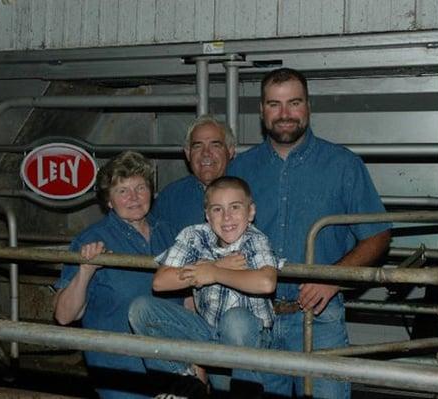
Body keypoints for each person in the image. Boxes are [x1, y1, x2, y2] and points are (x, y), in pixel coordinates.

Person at [228, 68, 392, 399]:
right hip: (255, 317)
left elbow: (377, 235)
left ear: (308, 106)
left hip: (319, 316)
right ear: (261, 110)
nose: (285, 114)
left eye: (294, 103)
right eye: (274, 104)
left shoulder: (343, 165)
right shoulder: (240, 170)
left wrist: (331, 278)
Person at [129, 176, 282, 396]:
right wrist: (215, 265)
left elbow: (266, 283)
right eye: (217, 209)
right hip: (208, 333)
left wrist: (214, 274)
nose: (227, 217)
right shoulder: (195, 235)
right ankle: (188, 383)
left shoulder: (255, 240)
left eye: (235, 207)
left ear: (251, 212)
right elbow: (160, 282)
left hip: (250, 338)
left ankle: (244, 392)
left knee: (235, 319)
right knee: (141, 308)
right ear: (207, 215)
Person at [53, 151, 180, 399]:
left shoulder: (170, 234)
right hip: (123, 374)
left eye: (140, 187)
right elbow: (65, 315)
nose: (133, 197)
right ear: (108, 200)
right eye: (122, 191)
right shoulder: (91, 240)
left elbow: (187, 302)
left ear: (151, 192)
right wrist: (86, 270)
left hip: (172, 368)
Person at [151, 114, 236, 235]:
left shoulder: (247, 193)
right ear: (187, 153)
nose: (206, 153)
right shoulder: (169, 198)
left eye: (215, 145)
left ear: (230, 151)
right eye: (198, 146)